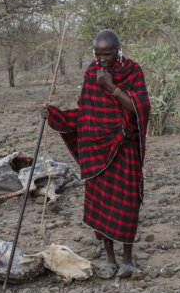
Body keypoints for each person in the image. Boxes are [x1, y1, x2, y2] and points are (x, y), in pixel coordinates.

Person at [44, 29, 150, 278]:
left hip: (125, 149)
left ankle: (127, 260)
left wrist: (111, 87)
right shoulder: (92, 72)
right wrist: (55, 115)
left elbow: (140, 108)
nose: (102, 59)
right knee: (101, 206)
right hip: (97, 152)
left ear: (118, 50)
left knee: (127, 206)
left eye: (108, 54)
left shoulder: (132, 71)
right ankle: (110, 260)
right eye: (98, 54)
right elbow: (86, 113)